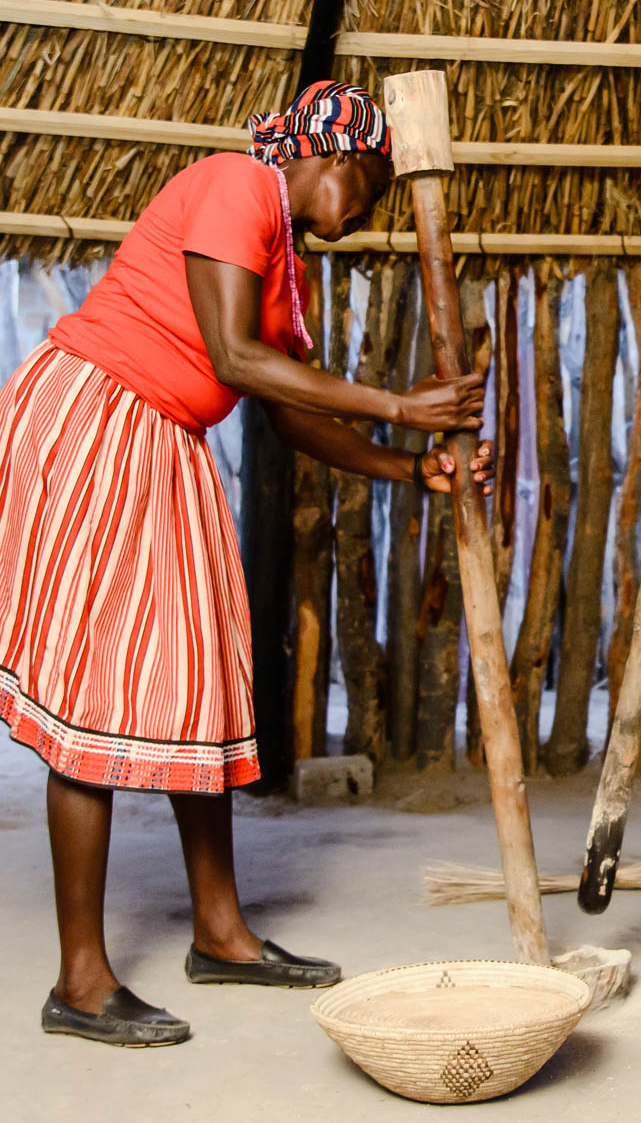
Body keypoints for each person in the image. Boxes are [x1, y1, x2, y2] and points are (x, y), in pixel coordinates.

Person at [0, 81, 493, 1046]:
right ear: (336, 161)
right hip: (99, 420)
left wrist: (408, 466)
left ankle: (220, 934)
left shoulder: (279, 254)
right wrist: (402, 404)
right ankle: (82, 981)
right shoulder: (236, 184)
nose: (368, 216)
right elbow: (233, 357)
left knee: (200, 686)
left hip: (165, 441)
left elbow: (289, 409)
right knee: (92, 701)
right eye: (375, 192)